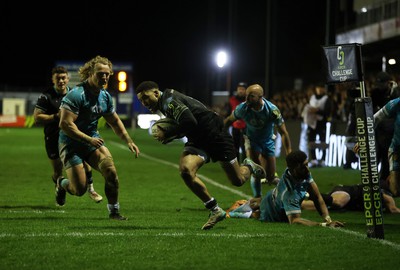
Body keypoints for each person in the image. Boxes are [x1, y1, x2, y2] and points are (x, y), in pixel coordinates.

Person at [135, 80, 266, 230]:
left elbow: (189, 121)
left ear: (156, 93)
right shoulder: (165, 103)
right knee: (186, 170)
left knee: (238, 180)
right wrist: (170, 136)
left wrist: (169, 132)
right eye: (141, 100)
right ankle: (215, 210)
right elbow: (187, 124)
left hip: (214, 134)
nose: (144, 102)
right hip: (198, 139)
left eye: (146, 97)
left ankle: (248, 165)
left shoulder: (169, 101)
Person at [57, 56, 140, 220]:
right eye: (100, 74)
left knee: (110, 171)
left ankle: (114, 212)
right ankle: (61, 183)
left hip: (91, 141)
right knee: (79, 190)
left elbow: (115, 121)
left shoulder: (105, 96)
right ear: (90, 73)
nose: (104, 77)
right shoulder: (76, 94)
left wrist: (129, 140)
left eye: (107, 74)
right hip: (71, 143)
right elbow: (65, 124)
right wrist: (88, 139)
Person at [33, 66, 103, 204]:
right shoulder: (46, 96)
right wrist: (55, 116)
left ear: (68, 78)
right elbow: (37, 117)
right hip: (52, 137)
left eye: (63, 78)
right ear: (53, 80)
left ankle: (91, 188)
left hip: (72, 135)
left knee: (84, 159)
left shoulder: (74, 93)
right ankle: (60, 185)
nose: (61, 81)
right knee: (57, 170)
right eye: (58, 78)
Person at [227, 150, 344, 227]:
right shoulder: (290, 193)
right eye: (304, 166)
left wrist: (328, 219)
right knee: (255, 216)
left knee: (257, 203)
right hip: (270, 211)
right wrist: (323, 225)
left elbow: (317, 197)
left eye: (307, 164)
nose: (308, 169)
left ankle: (246, 204)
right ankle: (231, 213)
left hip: (272, 197)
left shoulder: (302, 173)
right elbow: (294, 221)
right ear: (293, 169)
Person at [224, 84, 292, 198]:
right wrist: (222, 135)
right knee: (258, 171)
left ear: (260, 97)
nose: (247, 99)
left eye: (251, 96)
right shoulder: (243, 108)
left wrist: (289, 152)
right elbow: (228, 121)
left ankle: (285, 192)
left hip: (268, 141)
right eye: (246, 95)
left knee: (270, 177)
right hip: (251, 140)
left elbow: (284, 132)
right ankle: (257, 198)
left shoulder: (272, 110)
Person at [369, 71, 398, 183]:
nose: (380, 86)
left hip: (390, 130)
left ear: (388, 83)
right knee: (376, 155)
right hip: (378, 128)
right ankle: (374, 180)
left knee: (387, 157)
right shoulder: (375, 93)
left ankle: (384, 181)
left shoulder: (395, 92)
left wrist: (393, 92)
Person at [301, 183, 400, 213]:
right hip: (348, 193)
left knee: (307, 206)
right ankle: (306, 193)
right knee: (338, 202)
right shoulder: (385, 192)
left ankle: (297, 201)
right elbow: (393, 209)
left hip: (349, 202)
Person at [372, 95, 400, 197]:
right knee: (395, 191)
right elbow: (374, 119)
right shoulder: (396, 103)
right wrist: (362, 139)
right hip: (396, 150)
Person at [303, 83, 332, 167]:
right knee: (311, 141)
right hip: (311, 123)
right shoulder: (312, 97)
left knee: (322, 141)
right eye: (318, 88)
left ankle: (323, 159)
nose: (319, 89)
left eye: (321, 88)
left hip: (321, 123)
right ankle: (314, 159)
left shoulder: (326, 99)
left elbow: (327, 112)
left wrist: (317, 111)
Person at [227, 82, 248, 162]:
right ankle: (237, 166)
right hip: (235, 127)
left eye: (242, 89)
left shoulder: (248, 100)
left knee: (245, 148)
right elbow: (229, 113)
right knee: (235, 148)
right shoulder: (232, 99)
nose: (241, 91)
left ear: (246, 90)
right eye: (239, 89)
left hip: (246, 128)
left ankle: (245, 166)